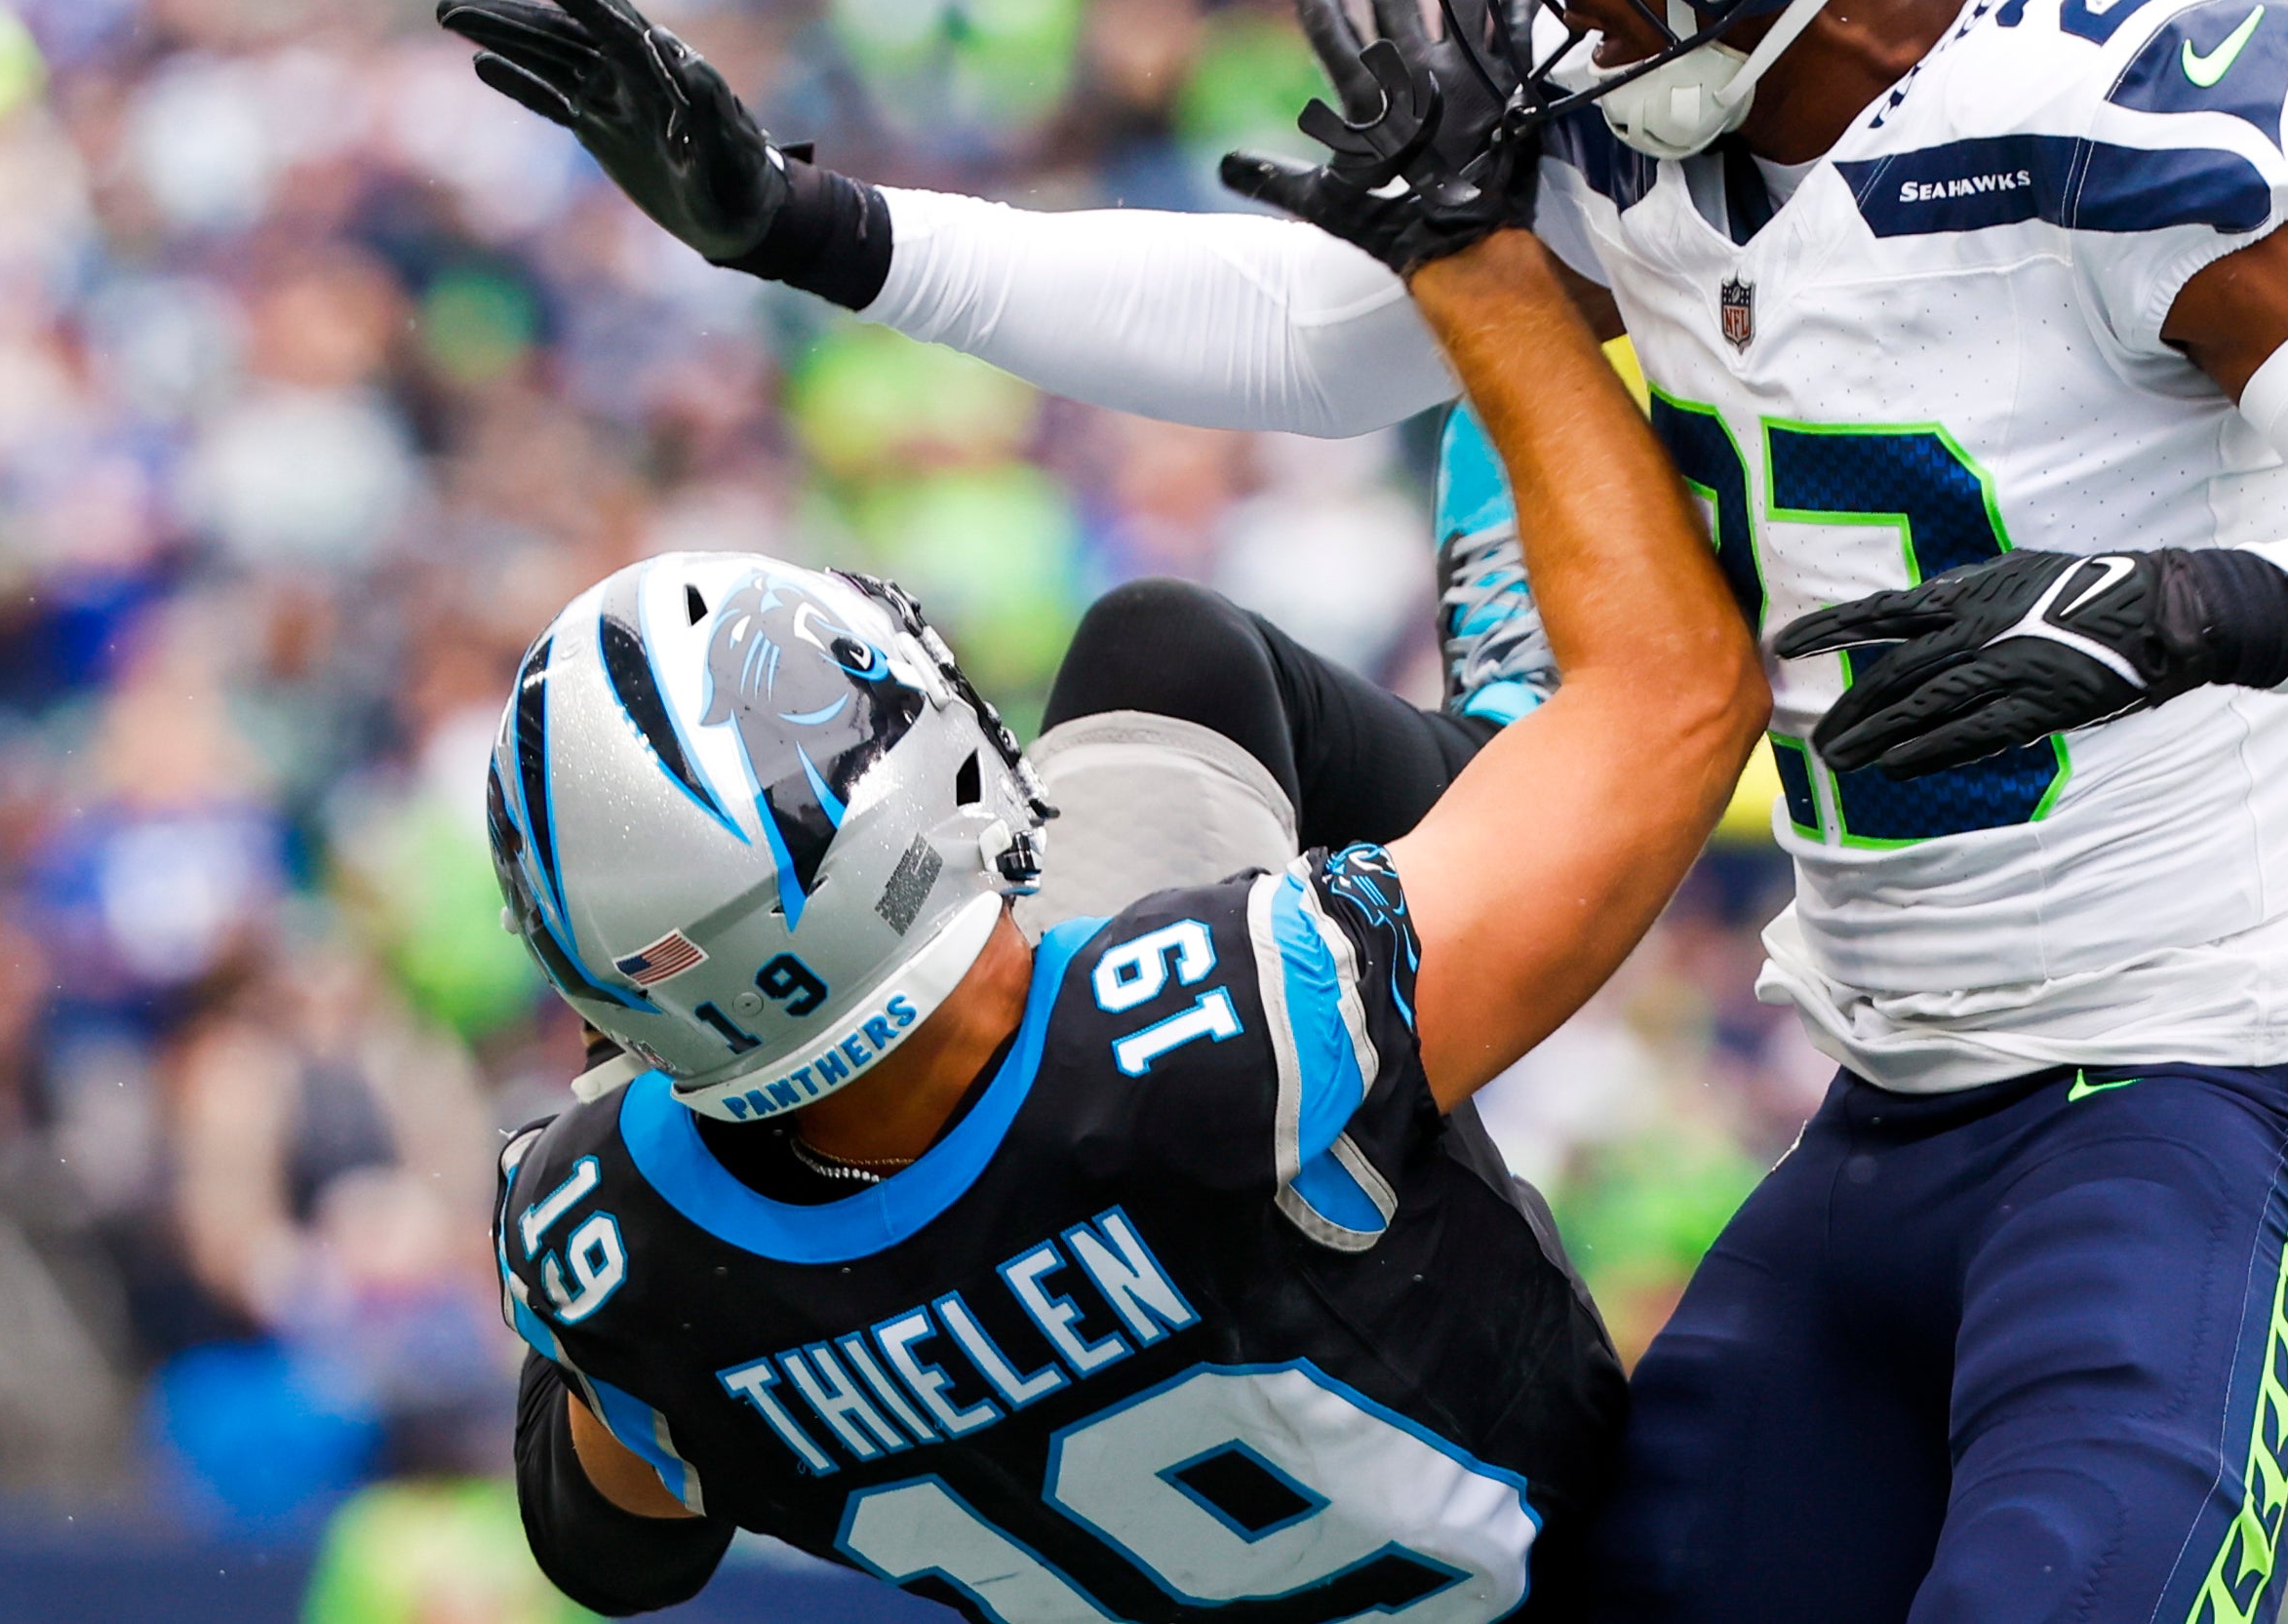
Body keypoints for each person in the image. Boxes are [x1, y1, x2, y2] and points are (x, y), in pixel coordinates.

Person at [447, 0, 2288, 1624]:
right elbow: (1310, 329)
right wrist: (818, 230)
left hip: (2201, 1102)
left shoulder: (2114, 104)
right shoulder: (1630, 133)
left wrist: (2213, 609)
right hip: (1892, 1110)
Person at [480, 199, 1763, 1617]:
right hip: (1590, 1575)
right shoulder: (1226, 1028)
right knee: (1175, 652)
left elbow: (605, 1546)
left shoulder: (601, 1246)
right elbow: (1683, 694)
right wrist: (1501, 295)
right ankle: (1503, 732)